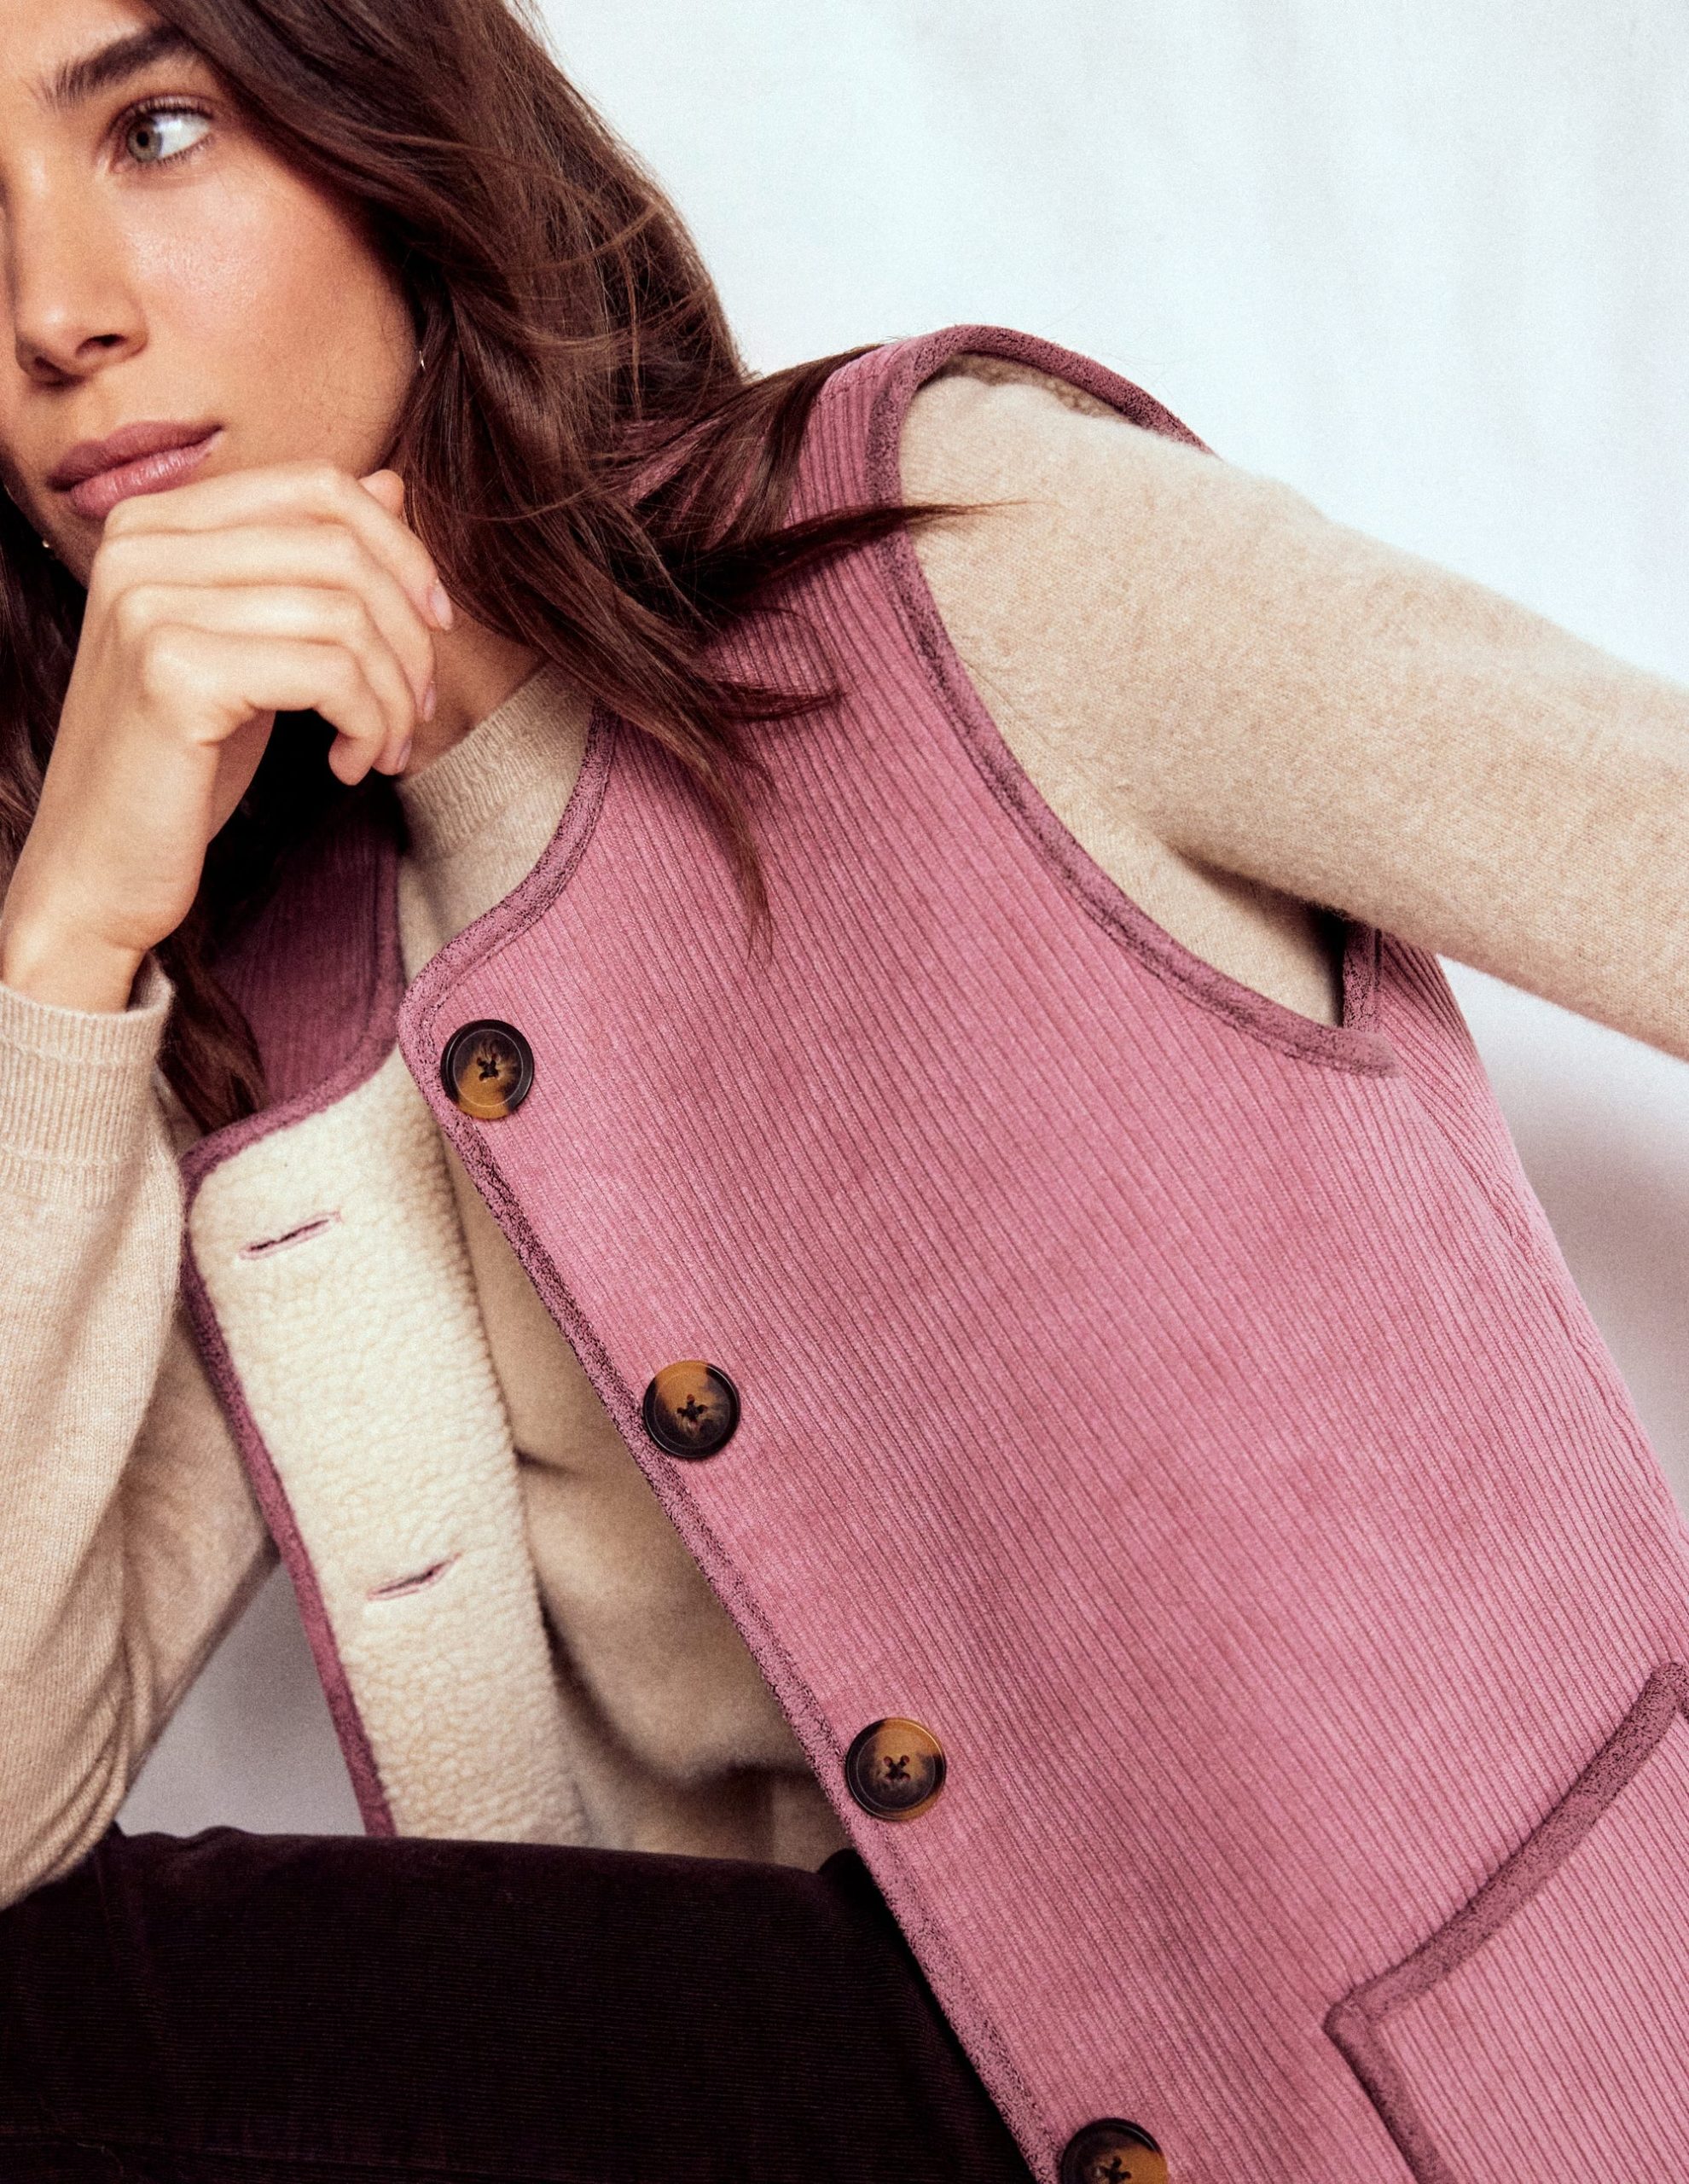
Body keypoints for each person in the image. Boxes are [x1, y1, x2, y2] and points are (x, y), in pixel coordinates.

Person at [3, 1, 1689, 2180]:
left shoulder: (960, 557)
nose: (52, 314)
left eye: (156, 130)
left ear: (393, 127)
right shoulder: (250, 1006)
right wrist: (65, 944)